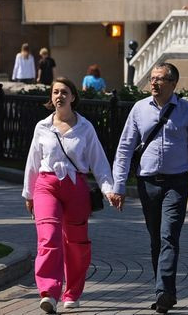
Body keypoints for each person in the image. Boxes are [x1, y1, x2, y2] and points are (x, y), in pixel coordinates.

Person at [111, 62, 188, 314]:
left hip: (176, 183)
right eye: (152, 78)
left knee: (168, 236)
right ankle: (163, 289)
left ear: (173, 84)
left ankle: (164, 292)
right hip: (148, 183)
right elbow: (124, 149)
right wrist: (119, 186)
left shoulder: (186, 111)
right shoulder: (139, 109)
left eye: (160, 79)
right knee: (156, 238)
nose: (153, 83)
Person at [22, 78, 120, 313]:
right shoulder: (42, 127)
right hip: (47, 185)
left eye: (64, 92)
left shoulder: (85, 127)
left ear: (73, 97)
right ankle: (48, 292)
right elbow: (33, 163)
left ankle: (72, 292)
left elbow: (98, 161)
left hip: (76, 186)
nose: (59, 96)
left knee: (76, 243)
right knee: (48, 238)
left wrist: (109, 189)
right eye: (55, 92)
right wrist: (29, 194)